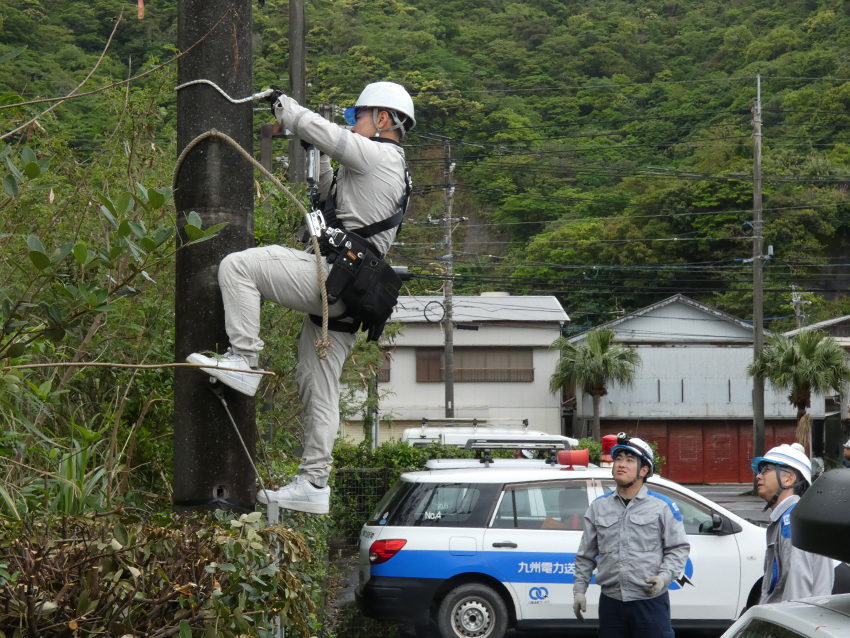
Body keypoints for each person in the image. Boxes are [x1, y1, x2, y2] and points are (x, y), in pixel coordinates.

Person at [187, 82, 415, 514]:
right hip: (352, 292)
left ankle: (244, 359)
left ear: (384, 120)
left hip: (335, 276)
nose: (354, 122)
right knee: (319, 387)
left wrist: (286, 109)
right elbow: (331, 191)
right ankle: (314, 483)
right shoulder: (380, 167)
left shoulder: (382, 155)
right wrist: (320, 154)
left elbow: (328, 133)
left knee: (239, 267)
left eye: (359, 115)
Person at [573, 434, 689, 638]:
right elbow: (586, 555)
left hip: (650, 604)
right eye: (618, 459)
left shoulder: (662, 507)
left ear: (644, 470)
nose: (621, 464)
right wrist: (579, 591)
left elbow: (677, 549)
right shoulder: (598, 507)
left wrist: (662, 579)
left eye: (629, 460)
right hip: (611, 605)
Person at [753, 443, 834, 603]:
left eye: (766, 469)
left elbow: (798, 589)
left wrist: (788, 627)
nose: (758, 476)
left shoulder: (792, 523)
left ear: (789, 479)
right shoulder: (791, 518)